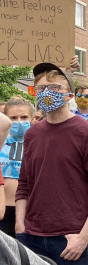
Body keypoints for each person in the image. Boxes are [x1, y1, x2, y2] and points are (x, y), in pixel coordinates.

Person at [17, 62, 88, 264]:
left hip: (72, 239)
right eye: (41, 88)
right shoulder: (32, 134)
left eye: (54, 88)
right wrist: (20, 226)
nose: (47, 93)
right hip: (32, 237)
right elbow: (24, 183)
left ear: (69, 95)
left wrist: (84, 236)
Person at [0, 97, 35, 237]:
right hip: (3, 210)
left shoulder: (38, 141)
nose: (19, 121)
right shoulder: (1, 140)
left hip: (29, 209)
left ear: (31, 118)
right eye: (13, 118)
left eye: (24, 117)